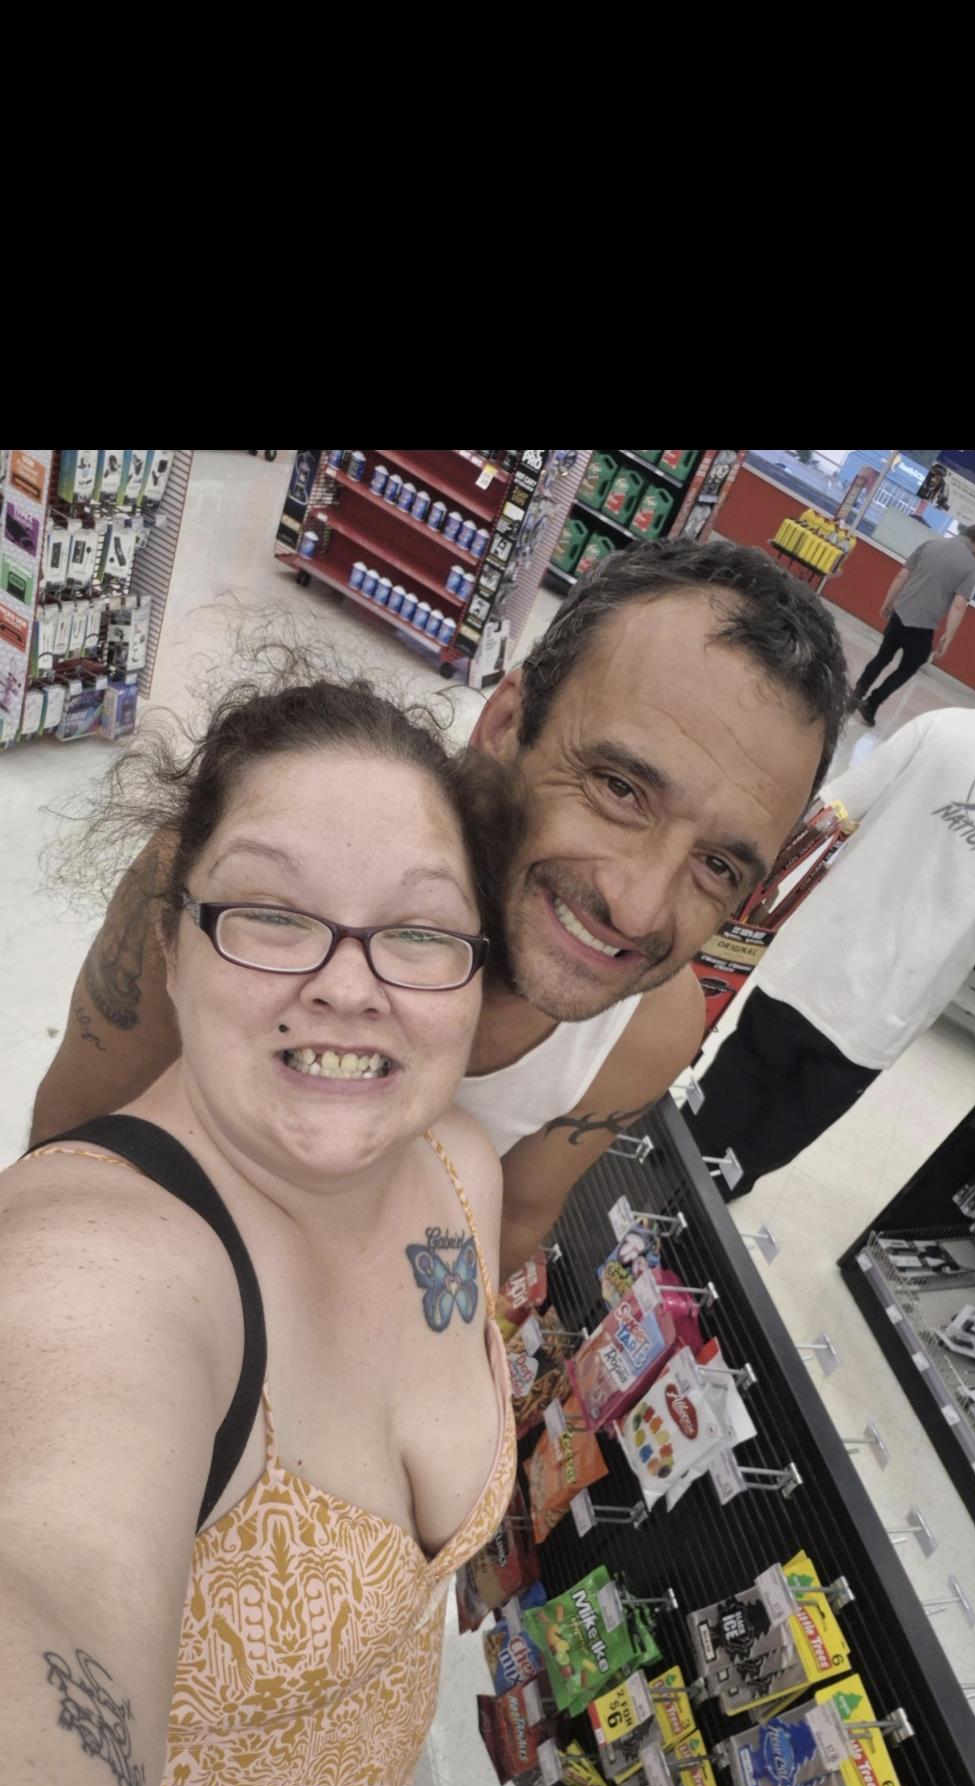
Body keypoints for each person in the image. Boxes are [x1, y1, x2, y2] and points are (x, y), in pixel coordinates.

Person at [0, 677, 520, 1786]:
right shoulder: (97, 1260)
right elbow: (48, 1589)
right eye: (274, 913)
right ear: (172, 940)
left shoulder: (461, 1171)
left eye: (421, 931)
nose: (349, 985)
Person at [30, 540, 852, 1277]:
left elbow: (507, 1226)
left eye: (715, 864)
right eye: (619, 788)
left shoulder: (647, 1035)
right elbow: (71, 1157)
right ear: (503, 721)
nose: (638, 910)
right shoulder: (231, 899)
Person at [693, 681, 975, 1195]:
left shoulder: (952, 723)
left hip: (811, 957)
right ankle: (717, 1198)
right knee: (787, 1122)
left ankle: (675, 1160)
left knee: (738, 1073)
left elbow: (829, 811)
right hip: (883, 1008)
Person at [852, 522, 975, 727]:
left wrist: (888, 602)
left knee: (882, 656)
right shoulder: (970, 566)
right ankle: (872, 703)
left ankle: (856, 695)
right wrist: (948, 637)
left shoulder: (930, 545)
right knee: (908, 668)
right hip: (922, 628)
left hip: (900, 615)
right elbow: (959, 605)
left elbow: (902, 574)